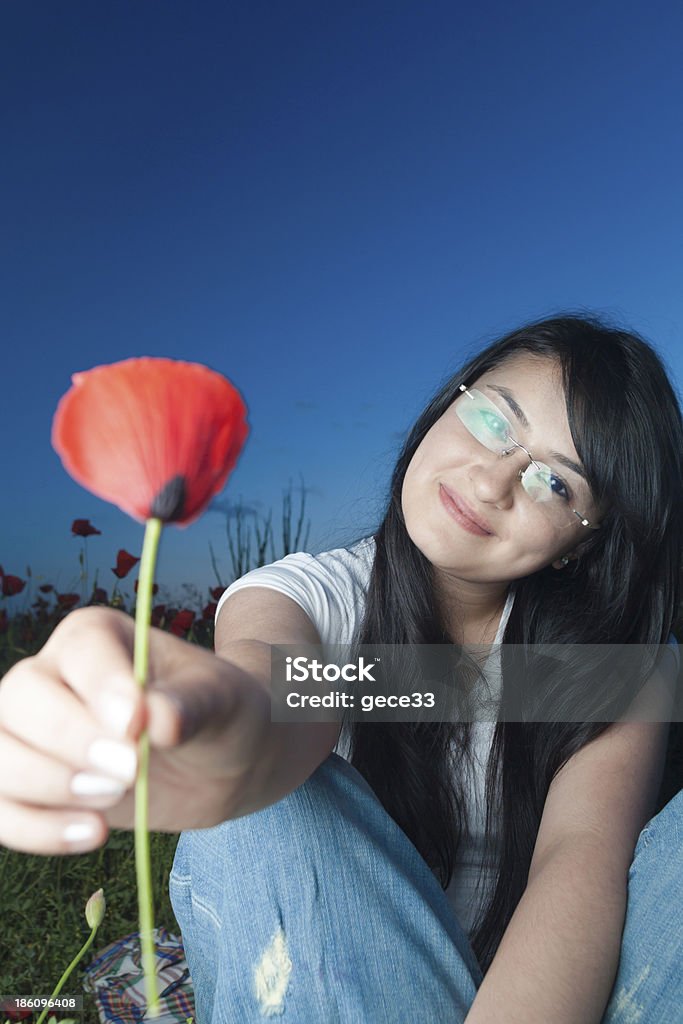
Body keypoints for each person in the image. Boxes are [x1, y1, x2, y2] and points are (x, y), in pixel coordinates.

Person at [0, 314, 681, 1023]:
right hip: (340, 982)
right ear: (448, 401)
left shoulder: (615, 654)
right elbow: (283, 692)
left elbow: (577, 860)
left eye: (555, 484)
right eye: (490, 419)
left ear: (580, 544)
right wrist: (202, 721)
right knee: (277, 797)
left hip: (553, 986)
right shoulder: (305, 595)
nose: (490, 482)